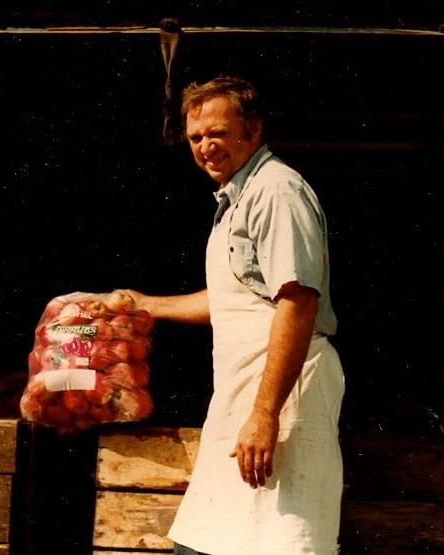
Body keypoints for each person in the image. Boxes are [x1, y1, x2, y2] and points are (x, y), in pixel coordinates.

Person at [119, 75, 345, 555]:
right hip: (245, 392)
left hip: (285, 395)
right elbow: (236, 298)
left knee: (279, 539)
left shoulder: (276, 191)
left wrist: (264, 416)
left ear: (254, 129)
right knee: (208, 540)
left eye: (217, 133)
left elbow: (297, 301)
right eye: (196, 138)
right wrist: (144, 303)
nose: (206, 147)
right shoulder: (236, 198)